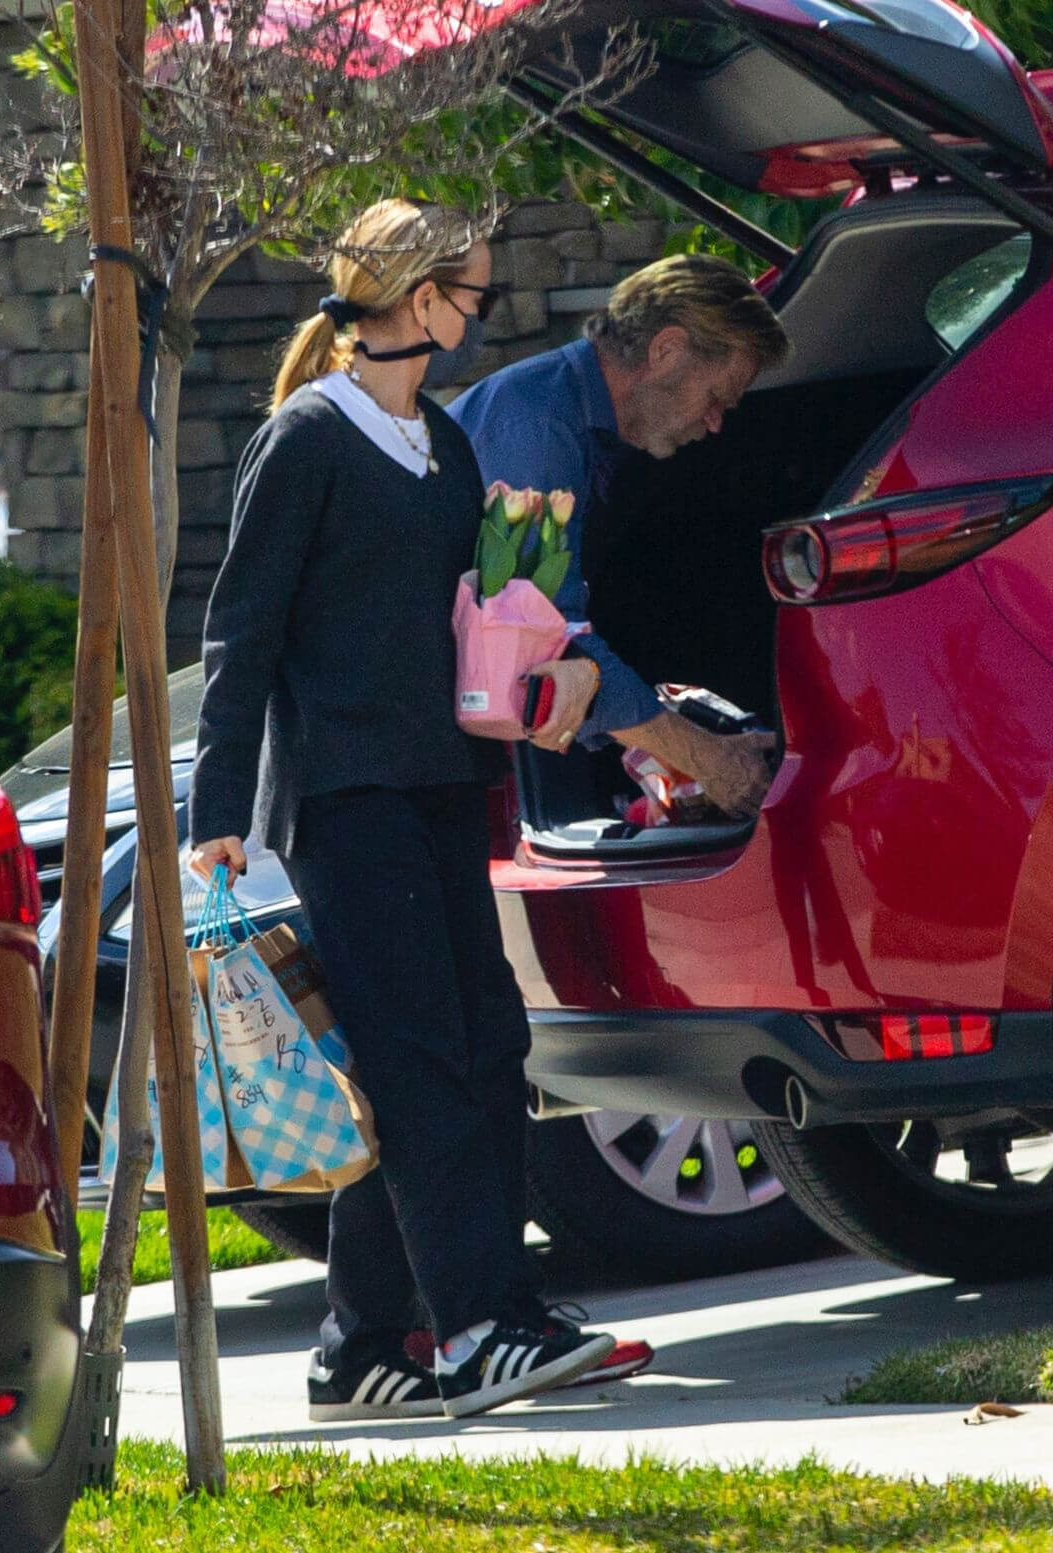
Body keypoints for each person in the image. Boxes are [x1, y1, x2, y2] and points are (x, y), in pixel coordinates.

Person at [187, 198, 616, 1424]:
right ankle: (477, 1325)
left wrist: (543, 660)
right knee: (423, 1055)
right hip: (343, 791)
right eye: (469, 295)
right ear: (419, 300)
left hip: (443, 779)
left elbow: (472, 606)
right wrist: (221, 806)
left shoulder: (444, 444)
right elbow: (241, 630)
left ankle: (359, 1344)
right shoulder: (307, 438)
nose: (478, 316)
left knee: (485, 1044)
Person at [448, 253, 789, 813]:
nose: (716, 423)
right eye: (715, 399)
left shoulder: (571, 416)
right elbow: (540, 642)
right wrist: (706, 757)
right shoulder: (539, 430)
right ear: (666, 351)